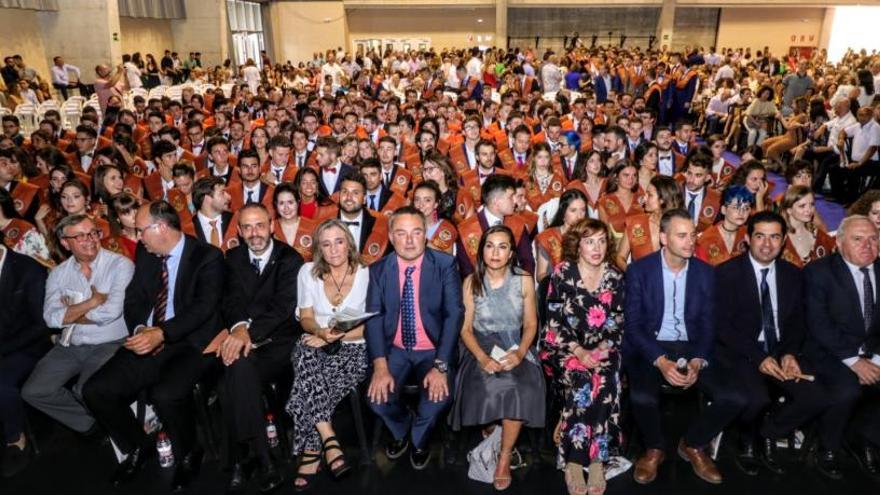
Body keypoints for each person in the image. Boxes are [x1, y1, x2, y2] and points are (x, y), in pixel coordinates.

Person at [82, 200, 224, 491]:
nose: (138, 237)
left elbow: (203, 309)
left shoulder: (207, 257)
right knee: (96, 390)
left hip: (190, 342)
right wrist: (141, 329)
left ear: (160, 228)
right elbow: (133, 299)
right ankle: (138, 445)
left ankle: (189, 452)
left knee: (166, 394)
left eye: (140, 231)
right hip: (148, 336)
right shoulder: (147, 256)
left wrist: (162, 333)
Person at [624, 209, 746, 485]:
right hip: (652, 345)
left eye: (693, 235)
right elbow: (633, 326)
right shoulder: (639, 271)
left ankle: (693, 444)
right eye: (682, 236)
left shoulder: (706, 273)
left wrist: (697, 360)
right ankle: (654, 448)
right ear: (663, 238)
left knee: (735, 397)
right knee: (642, 397)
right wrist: (661, 361)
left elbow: (708, 324)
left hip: (693, 345)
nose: (690, 241)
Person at [716, 211, 835, 476]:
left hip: (781, 350)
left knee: (817, 397)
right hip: (743, 352)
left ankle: (768, 432)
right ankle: (746, 441)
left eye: (774, 237)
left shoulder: (793, 274)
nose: (767, 244)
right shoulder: (727, 273)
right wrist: (759, 358)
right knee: (755, 398)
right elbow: (723, 327)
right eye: (760, 236)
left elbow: (797, 322)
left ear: (783, 242)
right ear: (747, 239)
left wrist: (790, 354)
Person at [365, 206, 464, 470]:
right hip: (395, 349)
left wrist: (441, 365)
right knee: (377, 399)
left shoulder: (445, 264)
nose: (409, 240)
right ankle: (401, 429)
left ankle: (419, 440)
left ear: (426, 235)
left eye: (416, 232)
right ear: (390, 236)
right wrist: (380, 366)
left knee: (437, 398)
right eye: (401, 233)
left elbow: (454, 315)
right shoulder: (378, 270)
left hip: (433, 349)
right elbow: (373, 319)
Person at [22, 214, 132, 446]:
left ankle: (116, 426)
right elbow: (51, 319)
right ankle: (92, 426)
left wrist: (71, 313)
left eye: (93, 232)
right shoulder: (58, 274)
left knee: (86, 389)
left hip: (110, 341)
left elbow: (111, 313)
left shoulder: (120, 265)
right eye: (80, 236)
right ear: (65, 242)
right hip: (70, 344)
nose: (90, 240)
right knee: (34, 391)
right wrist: (93, 302)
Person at [217, 203, 303, 493]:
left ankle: (242, 456)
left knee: (232, 378)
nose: (255, 233)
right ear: (239, 231)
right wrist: (240, 329)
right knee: (238, 370)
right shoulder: (233, 257)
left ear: (272, 226)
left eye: (260, 226)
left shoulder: (290, 259)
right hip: (244, 339)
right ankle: (263, 458)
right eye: (248, 227)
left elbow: (282, 309)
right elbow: (229, 300)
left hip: (280, 343)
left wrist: (247, 334)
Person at [452, 225, 544, 491]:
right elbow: (465, 329)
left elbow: (530, 325)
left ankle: (503, 455)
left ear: (511, 253)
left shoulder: (524, 279)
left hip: (516, 343)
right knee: (493, 384)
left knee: (520, 385)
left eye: (502, 246)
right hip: (479, 345)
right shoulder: (471, 281)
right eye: (490, 245)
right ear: (481, 251)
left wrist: (520, 353)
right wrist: (481, 357)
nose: (495, 252)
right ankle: (496, 427)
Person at [540, 218, 625, 495]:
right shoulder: (562, 273)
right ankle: (575, 462)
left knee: (606, 382)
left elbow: (616, 323)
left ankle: (598, 459)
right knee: (581, 382)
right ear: (577, 245)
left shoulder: (614, 276)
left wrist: (598, 351)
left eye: (601, 240)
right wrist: (578, 351)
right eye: (589, 241)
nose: (596, 247)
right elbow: (552, 323)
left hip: (602, 348)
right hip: (564, 347)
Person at [286, 219, 370, 491]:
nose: (333, 249)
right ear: (319, 249)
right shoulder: (307, 272)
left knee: (304, 388)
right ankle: (329, 438)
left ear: (349, 243)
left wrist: (339, 336)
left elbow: (372, 326)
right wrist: (321, 333)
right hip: (316, 339)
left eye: (339, 241)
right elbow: (306, 318)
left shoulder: (368, 274)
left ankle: (313, 450)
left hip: (354, 347)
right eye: (326, 243)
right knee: (305, 351)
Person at [803, 215, 880, 479]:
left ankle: (865, 439)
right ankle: (827, 447)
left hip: (873, 352)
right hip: (829, 353)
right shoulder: (819, 272)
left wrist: (876, 359)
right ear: (839, 242)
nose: (868, 246)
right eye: (858, 239)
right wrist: (854, 361)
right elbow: (819, 324)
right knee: (846, 390)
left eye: (873, 239)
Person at [0, 231, 49, 477]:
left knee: (3, 384)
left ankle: (15, 439)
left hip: (28, 345)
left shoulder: (27, 269)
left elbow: (41, 325)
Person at [457, 174, 535, 277]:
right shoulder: (466, 229)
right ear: (496, 202)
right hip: (478, 288)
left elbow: (527, 262)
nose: (515, 201)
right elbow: (467, 271)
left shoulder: (518, 224)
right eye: (511, 197)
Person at [614, 175, 682, 268]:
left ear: (662, 200)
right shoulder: (635, 222)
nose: (644, 199)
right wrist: (632, 274)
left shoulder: (680, 226)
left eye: (649, 195)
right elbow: (620, 257)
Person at [534, 189, 588, 281]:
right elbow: (540, 275)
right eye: (573, 210)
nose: (579, 216)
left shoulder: (590, 235)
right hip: (555, 288)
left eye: (582, 210)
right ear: (563, 212)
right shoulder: (548, 237)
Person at [778, 186, 835, 268]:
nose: (809, 210)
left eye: (812, 204)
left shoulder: (818, 235)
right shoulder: (778, 236)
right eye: (802, 206)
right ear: (789, 210)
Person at [695, 185, 752, 266]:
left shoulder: (748, 235)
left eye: (746, 208)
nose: (741, 213)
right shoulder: (706, 238)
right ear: (724, 210)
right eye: (736, 207)